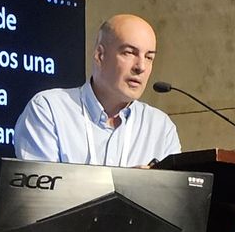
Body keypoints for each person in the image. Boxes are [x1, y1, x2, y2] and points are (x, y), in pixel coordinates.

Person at [13, 14, 180, 167]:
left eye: (149, 57)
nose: (141, 67)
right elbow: (40, 195)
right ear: (100, 55)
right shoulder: (49, 110)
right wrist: (128, 187)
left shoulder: (161, 128)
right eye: (129, 53)